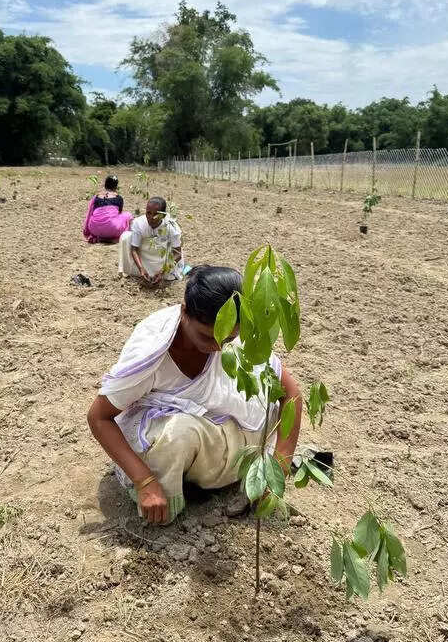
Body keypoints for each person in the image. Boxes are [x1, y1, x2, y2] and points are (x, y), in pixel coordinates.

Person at [87, 265, 302, 524]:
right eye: (207, 337)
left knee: (268, 414)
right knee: (175, 435)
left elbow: (291, 394)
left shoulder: (237, 337)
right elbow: (99, 417)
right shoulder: (152, 351)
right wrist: (144, 480)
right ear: (184, 311)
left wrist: (279, 466)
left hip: (238, 442)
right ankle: (168, 499)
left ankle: (228, 477)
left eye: (226, 339)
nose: (218, 347)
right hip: (188, 440)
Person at [118, 196, 184, 283]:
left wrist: (163, 271)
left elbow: (178, 254)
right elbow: (134, 249)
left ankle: (161, 274)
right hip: (144, 257)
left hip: (162, 261)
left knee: (168, 273)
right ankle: (139, 271)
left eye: (156, 214)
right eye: (148, 213)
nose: (151, 217)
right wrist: (141, 269)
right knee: (126, 237)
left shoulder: (171, 226)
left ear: (163, 215)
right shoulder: (138, 223)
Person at [83, 175, 133, 243]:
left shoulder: (96, 197)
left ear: (105, 185)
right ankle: (114, 239)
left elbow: (89, 214)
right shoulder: (119, 198)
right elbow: (119, 214)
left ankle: (101, 238)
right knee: (128, 215)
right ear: (116, 186)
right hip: (112, 229)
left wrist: (87, 231)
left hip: (94, 229)